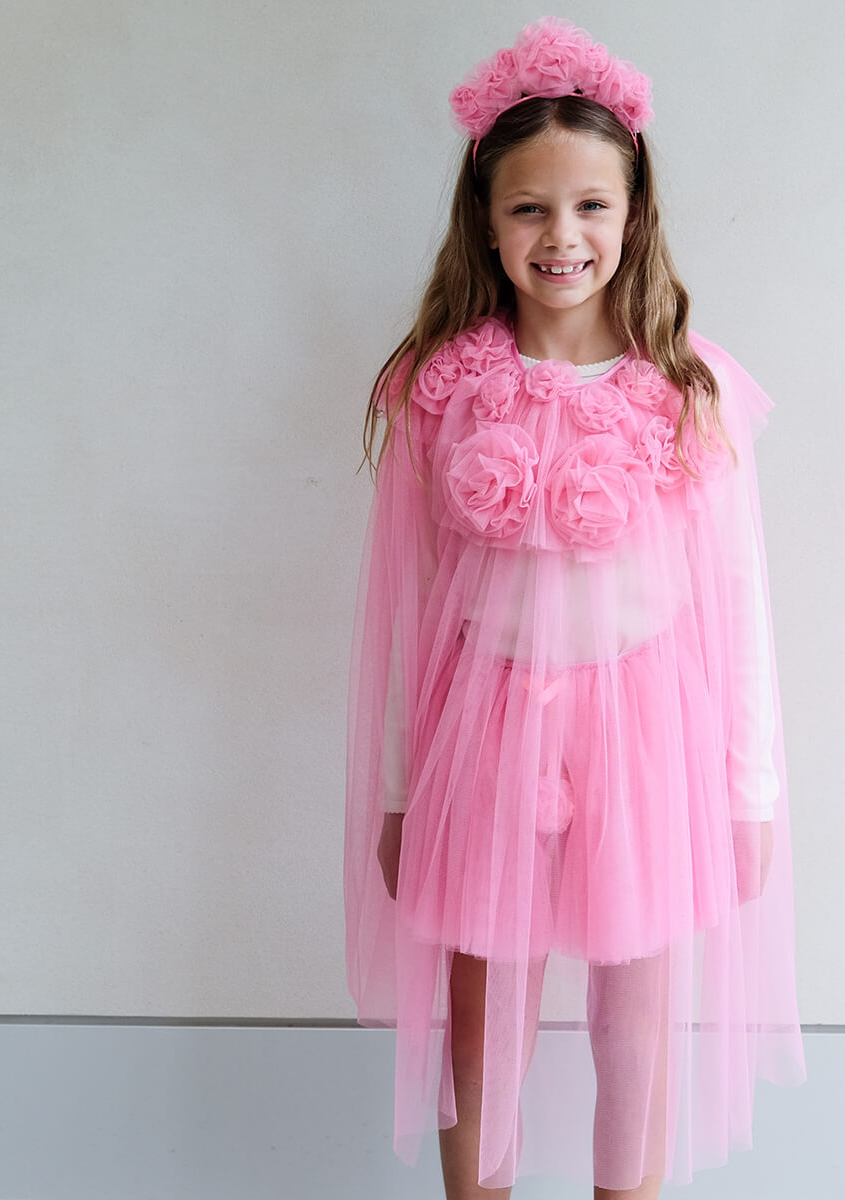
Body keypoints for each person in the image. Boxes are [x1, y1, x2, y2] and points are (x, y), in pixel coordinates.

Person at [344, 18, 806, 1199]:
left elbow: (739, 604)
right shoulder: (443, 390)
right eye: (530, 208)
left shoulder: (686, 389)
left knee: (635, 1025)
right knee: (480, 1019)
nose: (562, 236)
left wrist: (752, 792)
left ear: (633, 215)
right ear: (486, 220)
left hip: (646, 739)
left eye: (592, 205)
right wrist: (396, 790)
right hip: (484, 734)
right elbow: (408, 610)